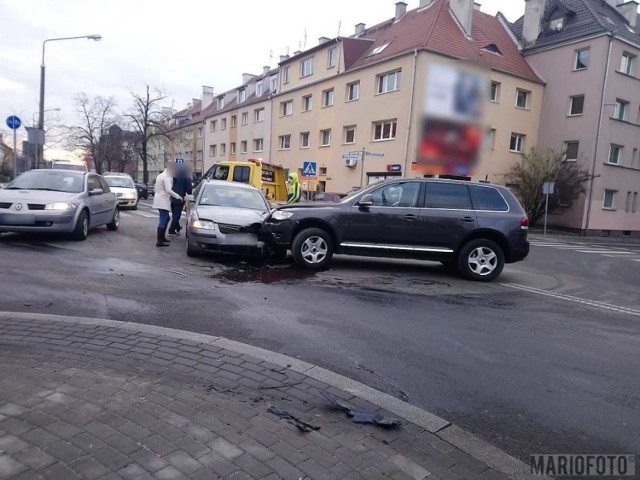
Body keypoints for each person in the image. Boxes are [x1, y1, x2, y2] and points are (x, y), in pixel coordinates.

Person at [152, 163, 182, 247]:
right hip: (163, 200)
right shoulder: (167, 176)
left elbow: (155, 188)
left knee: (167, 218)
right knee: (163, 219)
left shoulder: (160, 175)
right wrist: (178, 197)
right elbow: (168, 190)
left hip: (159, 199)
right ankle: (159, 241)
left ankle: (162, 238)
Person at [168, 163, 193, 236]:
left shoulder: (173, 175)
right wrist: (190, 194)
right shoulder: (187, 176)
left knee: (174, 214)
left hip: (172, 196)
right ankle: (171, 230)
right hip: (180, 198)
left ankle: (177, 227)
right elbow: (188, 188)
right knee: (177, 215)